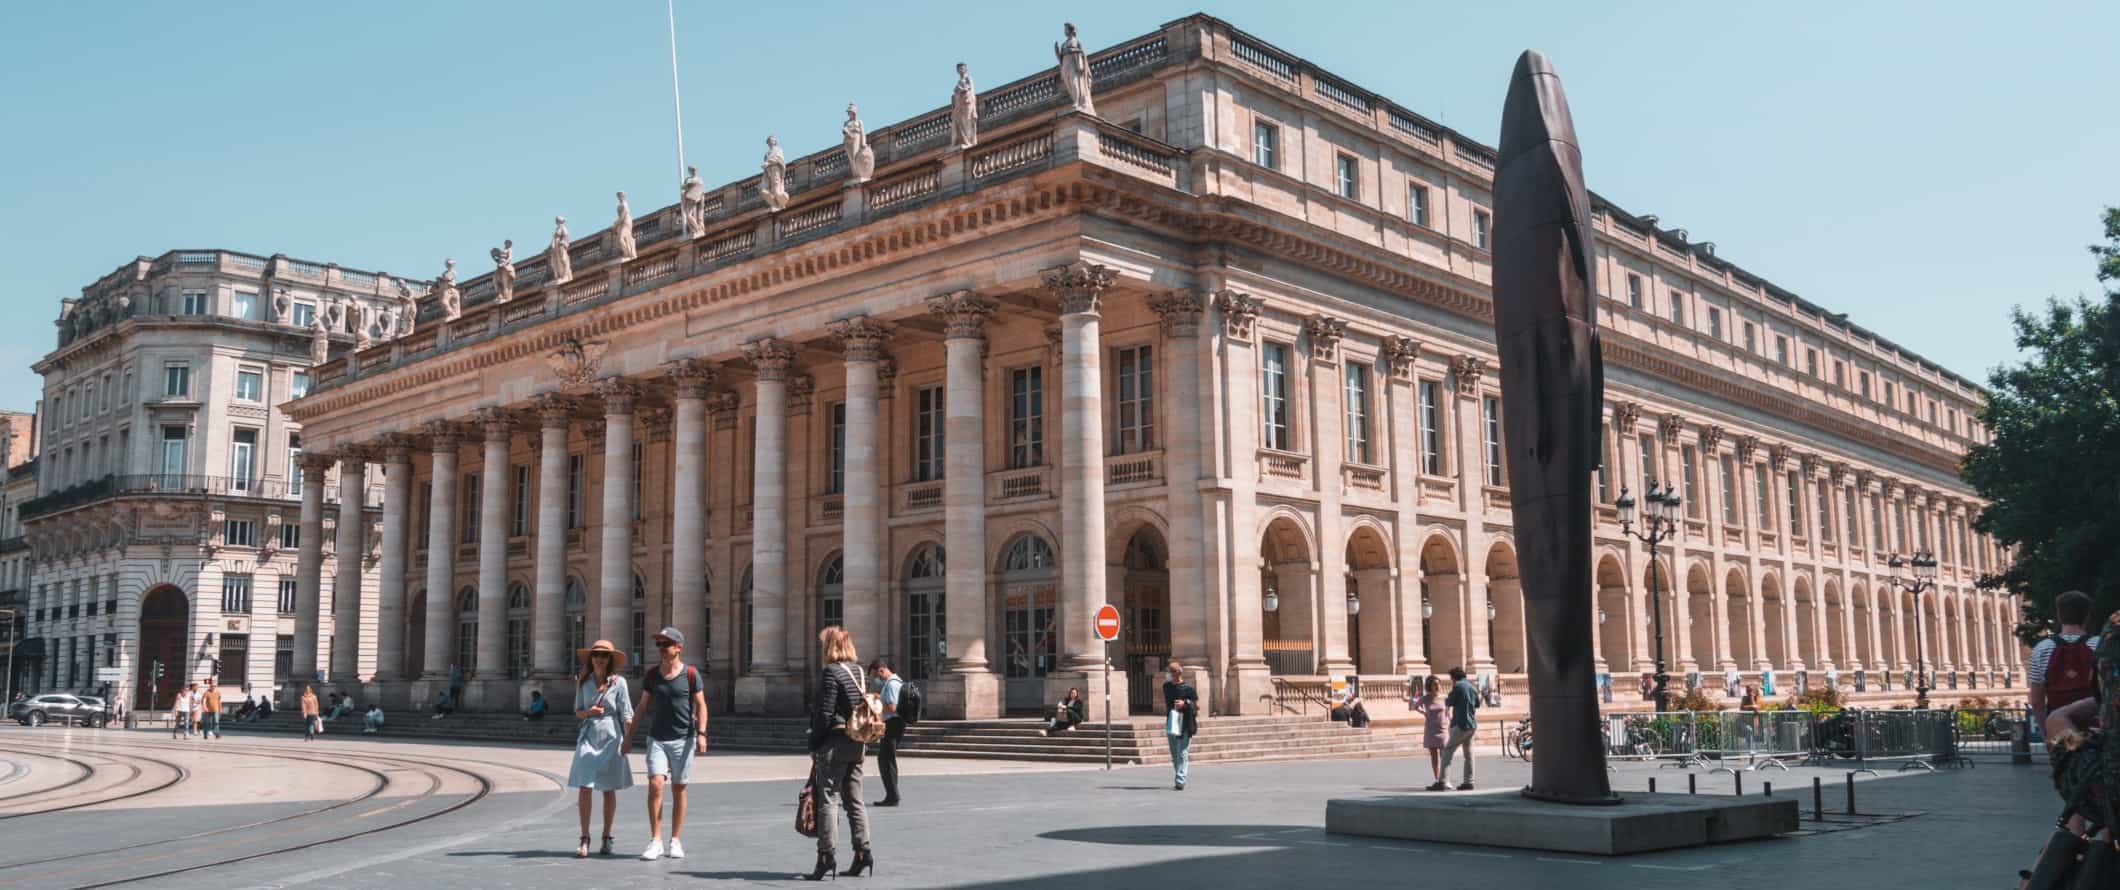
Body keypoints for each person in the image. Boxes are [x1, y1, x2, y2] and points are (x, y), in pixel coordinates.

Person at [628, 627, 708, 861]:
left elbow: (701, 705)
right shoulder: (652, 675)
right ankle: (655, 840)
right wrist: (628, 737)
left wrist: (702, 733)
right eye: (659, 645)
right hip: (657, 739)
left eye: (666, 644)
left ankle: (675, 839)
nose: (661, 649)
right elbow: (642, 707)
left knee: (679, 788)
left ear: (678, 647)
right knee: (655, 784)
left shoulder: (691, 674)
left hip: (684, 739)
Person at [805, 626, 874, 881]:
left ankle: (826, 856)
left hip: (834, 742)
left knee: (828, 799)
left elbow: (824, 713)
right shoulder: (858, 672)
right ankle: (862, 852)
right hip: (857, 742)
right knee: (855, 799)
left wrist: (814, 743)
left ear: (829, 647)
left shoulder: (830, 673)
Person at [567, 640, 633, 859]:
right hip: (588, 735)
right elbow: (577, 711)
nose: (599, 658)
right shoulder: (582, 682)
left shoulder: (619, 683)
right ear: (591, 658)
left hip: (611, 736)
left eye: (604, 655)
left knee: (608, 788)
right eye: (596, 655)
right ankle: (584, 837)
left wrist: (628, 739)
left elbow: (627, 713)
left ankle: (606, 837)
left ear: (610, 659)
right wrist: (589, 712)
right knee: (584, 786)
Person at [2029, 590, 2101, 729]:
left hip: (2060, 730)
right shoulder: (2099, 645)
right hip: (2096, 726)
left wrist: (2047, 732)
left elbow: (2037, 701)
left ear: (2059, 616)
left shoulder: (2041, 649)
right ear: (2087, 616)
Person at [1431, 667, 1478, 791]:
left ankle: (1442, 781)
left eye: (1451, 678)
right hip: (1472, 724)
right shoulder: (1472, 687)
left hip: (1460, 723)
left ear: (1454, 677)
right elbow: (1477, 703)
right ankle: (1469, 781)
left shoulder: (1458, 687)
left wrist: (1448, 699)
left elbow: (1450, 701)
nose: (1451, 681)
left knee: (1447, 752)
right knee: (1469, 754)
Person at [870, 658, 905, 807]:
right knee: (886, 759)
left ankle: (892, 796)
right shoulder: (896, 682)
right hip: (895, 724)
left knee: (886, 760)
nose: (876, 680)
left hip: (893, 724)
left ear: (881, 670)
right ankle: (892, 794)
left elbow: (892, 708)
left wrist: (876, 704)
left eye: (875, 676)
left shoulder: (891, 684)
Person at [1163, 659, 1199, 791]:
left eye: (1172, 671)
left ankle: (1180, 779)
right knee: (1174, 752)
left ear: (1179, 672)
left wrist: (1186, 703)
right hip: (1172, 719)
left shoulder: (1189, 689)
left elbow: (1197, 706)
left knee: (1182, 752)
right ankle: (1179, 775)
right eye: (1168, 671)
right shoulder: (1166, 687)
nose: (1169, 673)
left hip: (1185, 720)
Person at [1413, 675, 1447, 785]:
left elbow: (1449, 711)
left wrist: (1449, 721)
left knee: (1445, 756)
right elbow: (1415, 706)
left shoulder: (1444, 698)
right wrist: (1424, 713)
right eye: (1435, 684)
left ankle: (1445, 778)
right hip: (1431, 729)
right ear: (1430, 686)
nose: (1437, 686)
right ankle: (1437, 778)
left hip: (1443, 729)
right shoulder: (1426, 698)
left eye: (1438, 684)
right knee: (1434, 756)